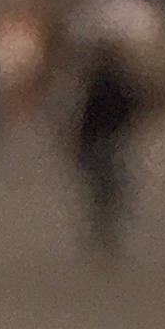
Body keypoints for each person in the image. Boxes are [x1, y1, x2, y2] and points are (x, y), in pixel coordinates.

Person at [69, 41, 143, 261]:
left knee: (99, 192)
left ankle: (100, 233)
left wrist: (78, 141)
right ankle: (109, 236)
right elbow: (134, 111)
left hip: (97, 143)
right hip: (116, 142)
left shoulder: (96, 84)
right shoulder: (125, 83)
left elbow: (86, 117)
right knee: (113, 191)